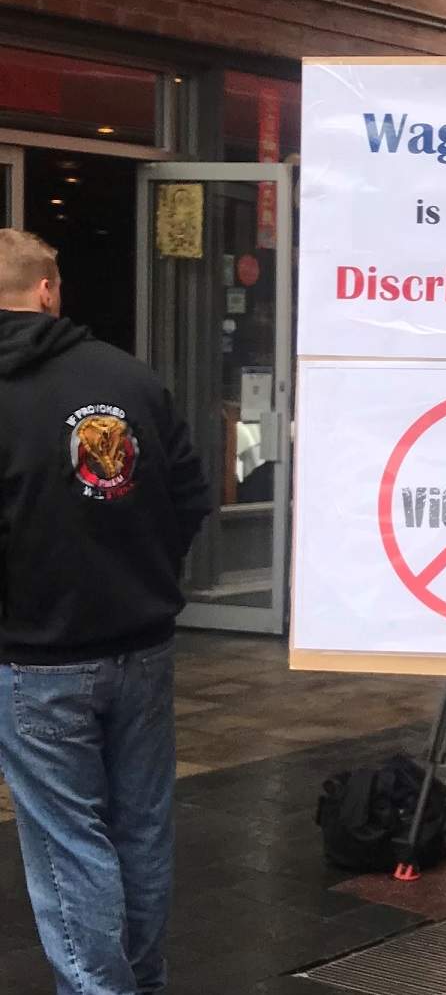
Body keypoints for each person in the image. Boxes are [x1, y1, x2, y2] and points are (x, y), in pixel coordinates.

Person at [0, 228, 211, 995]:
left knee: (67, 842)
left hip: (34, 657)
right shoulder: (129, 377)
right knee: (142, 828)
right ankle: (139, 982)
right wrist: (144, 571)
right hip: (143, 644)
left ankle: (100, 990)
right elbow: (191, 495)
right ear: (48, 289)